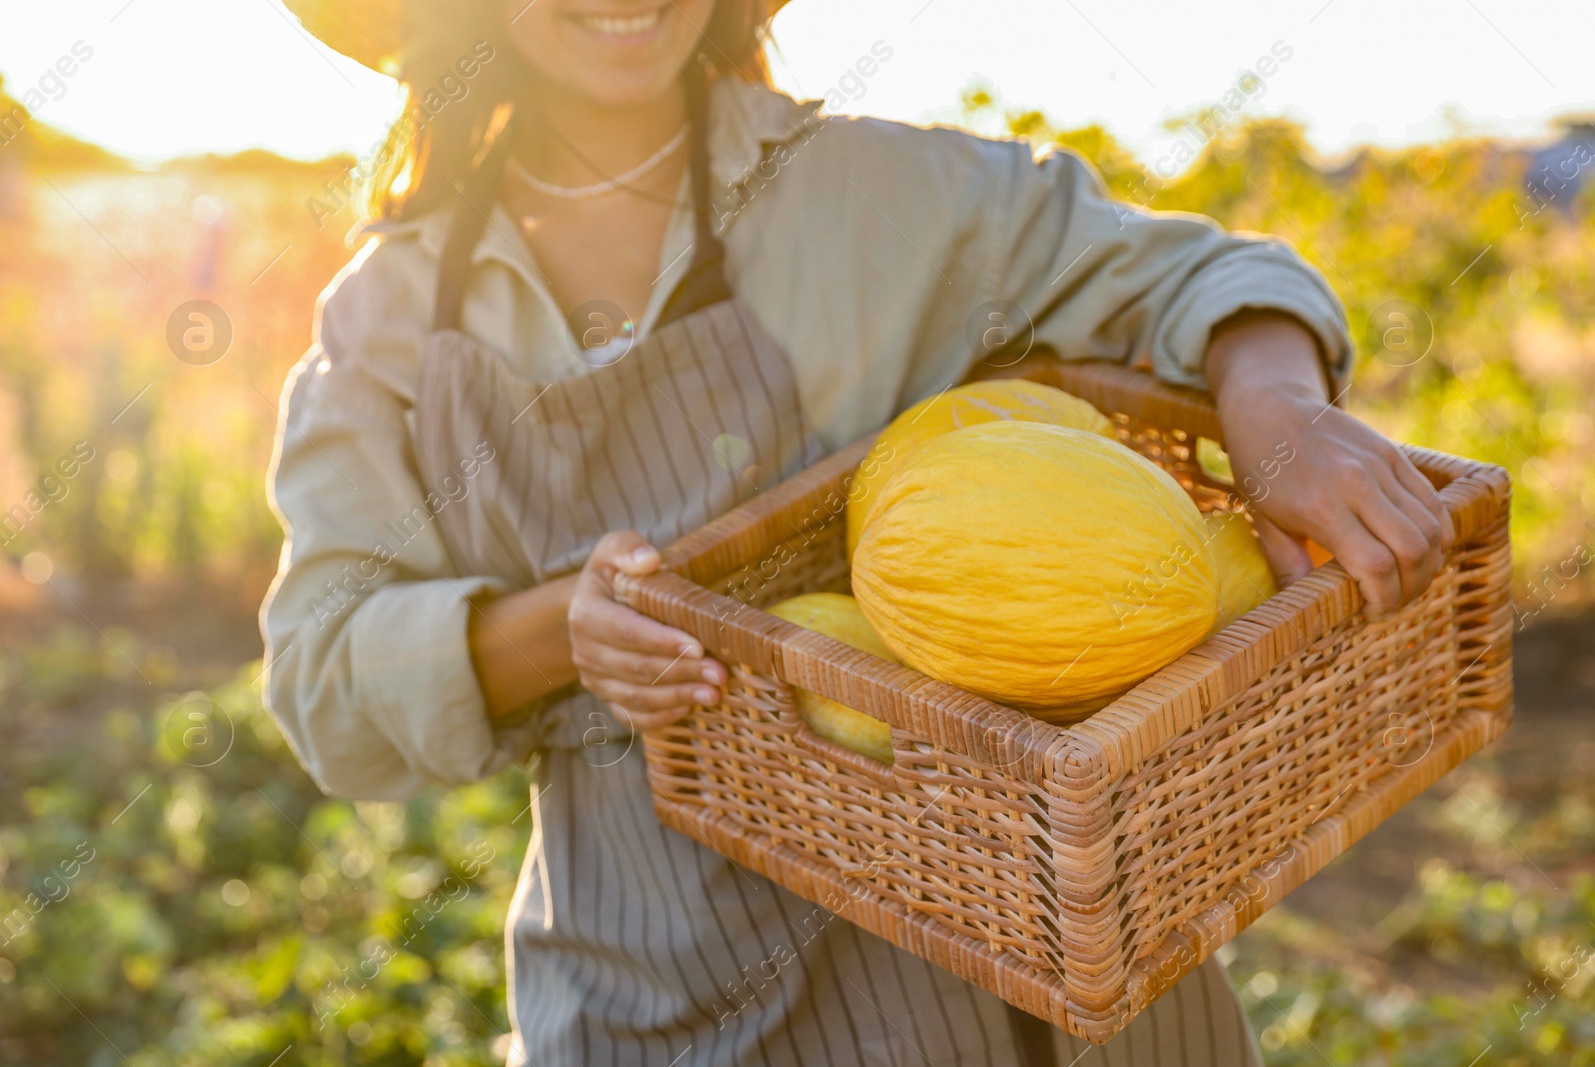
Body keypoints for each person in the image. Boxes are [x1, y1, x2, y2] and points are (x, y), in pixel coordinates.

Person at [264, 1, 1450, 1064]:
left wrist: (1279, 413)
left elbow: (1202, 273)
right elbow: (322, 672)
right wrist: (568, 627)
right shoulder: (390, 318)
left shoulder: (877, 192)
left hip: (1019, 942)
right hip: (657, 978)